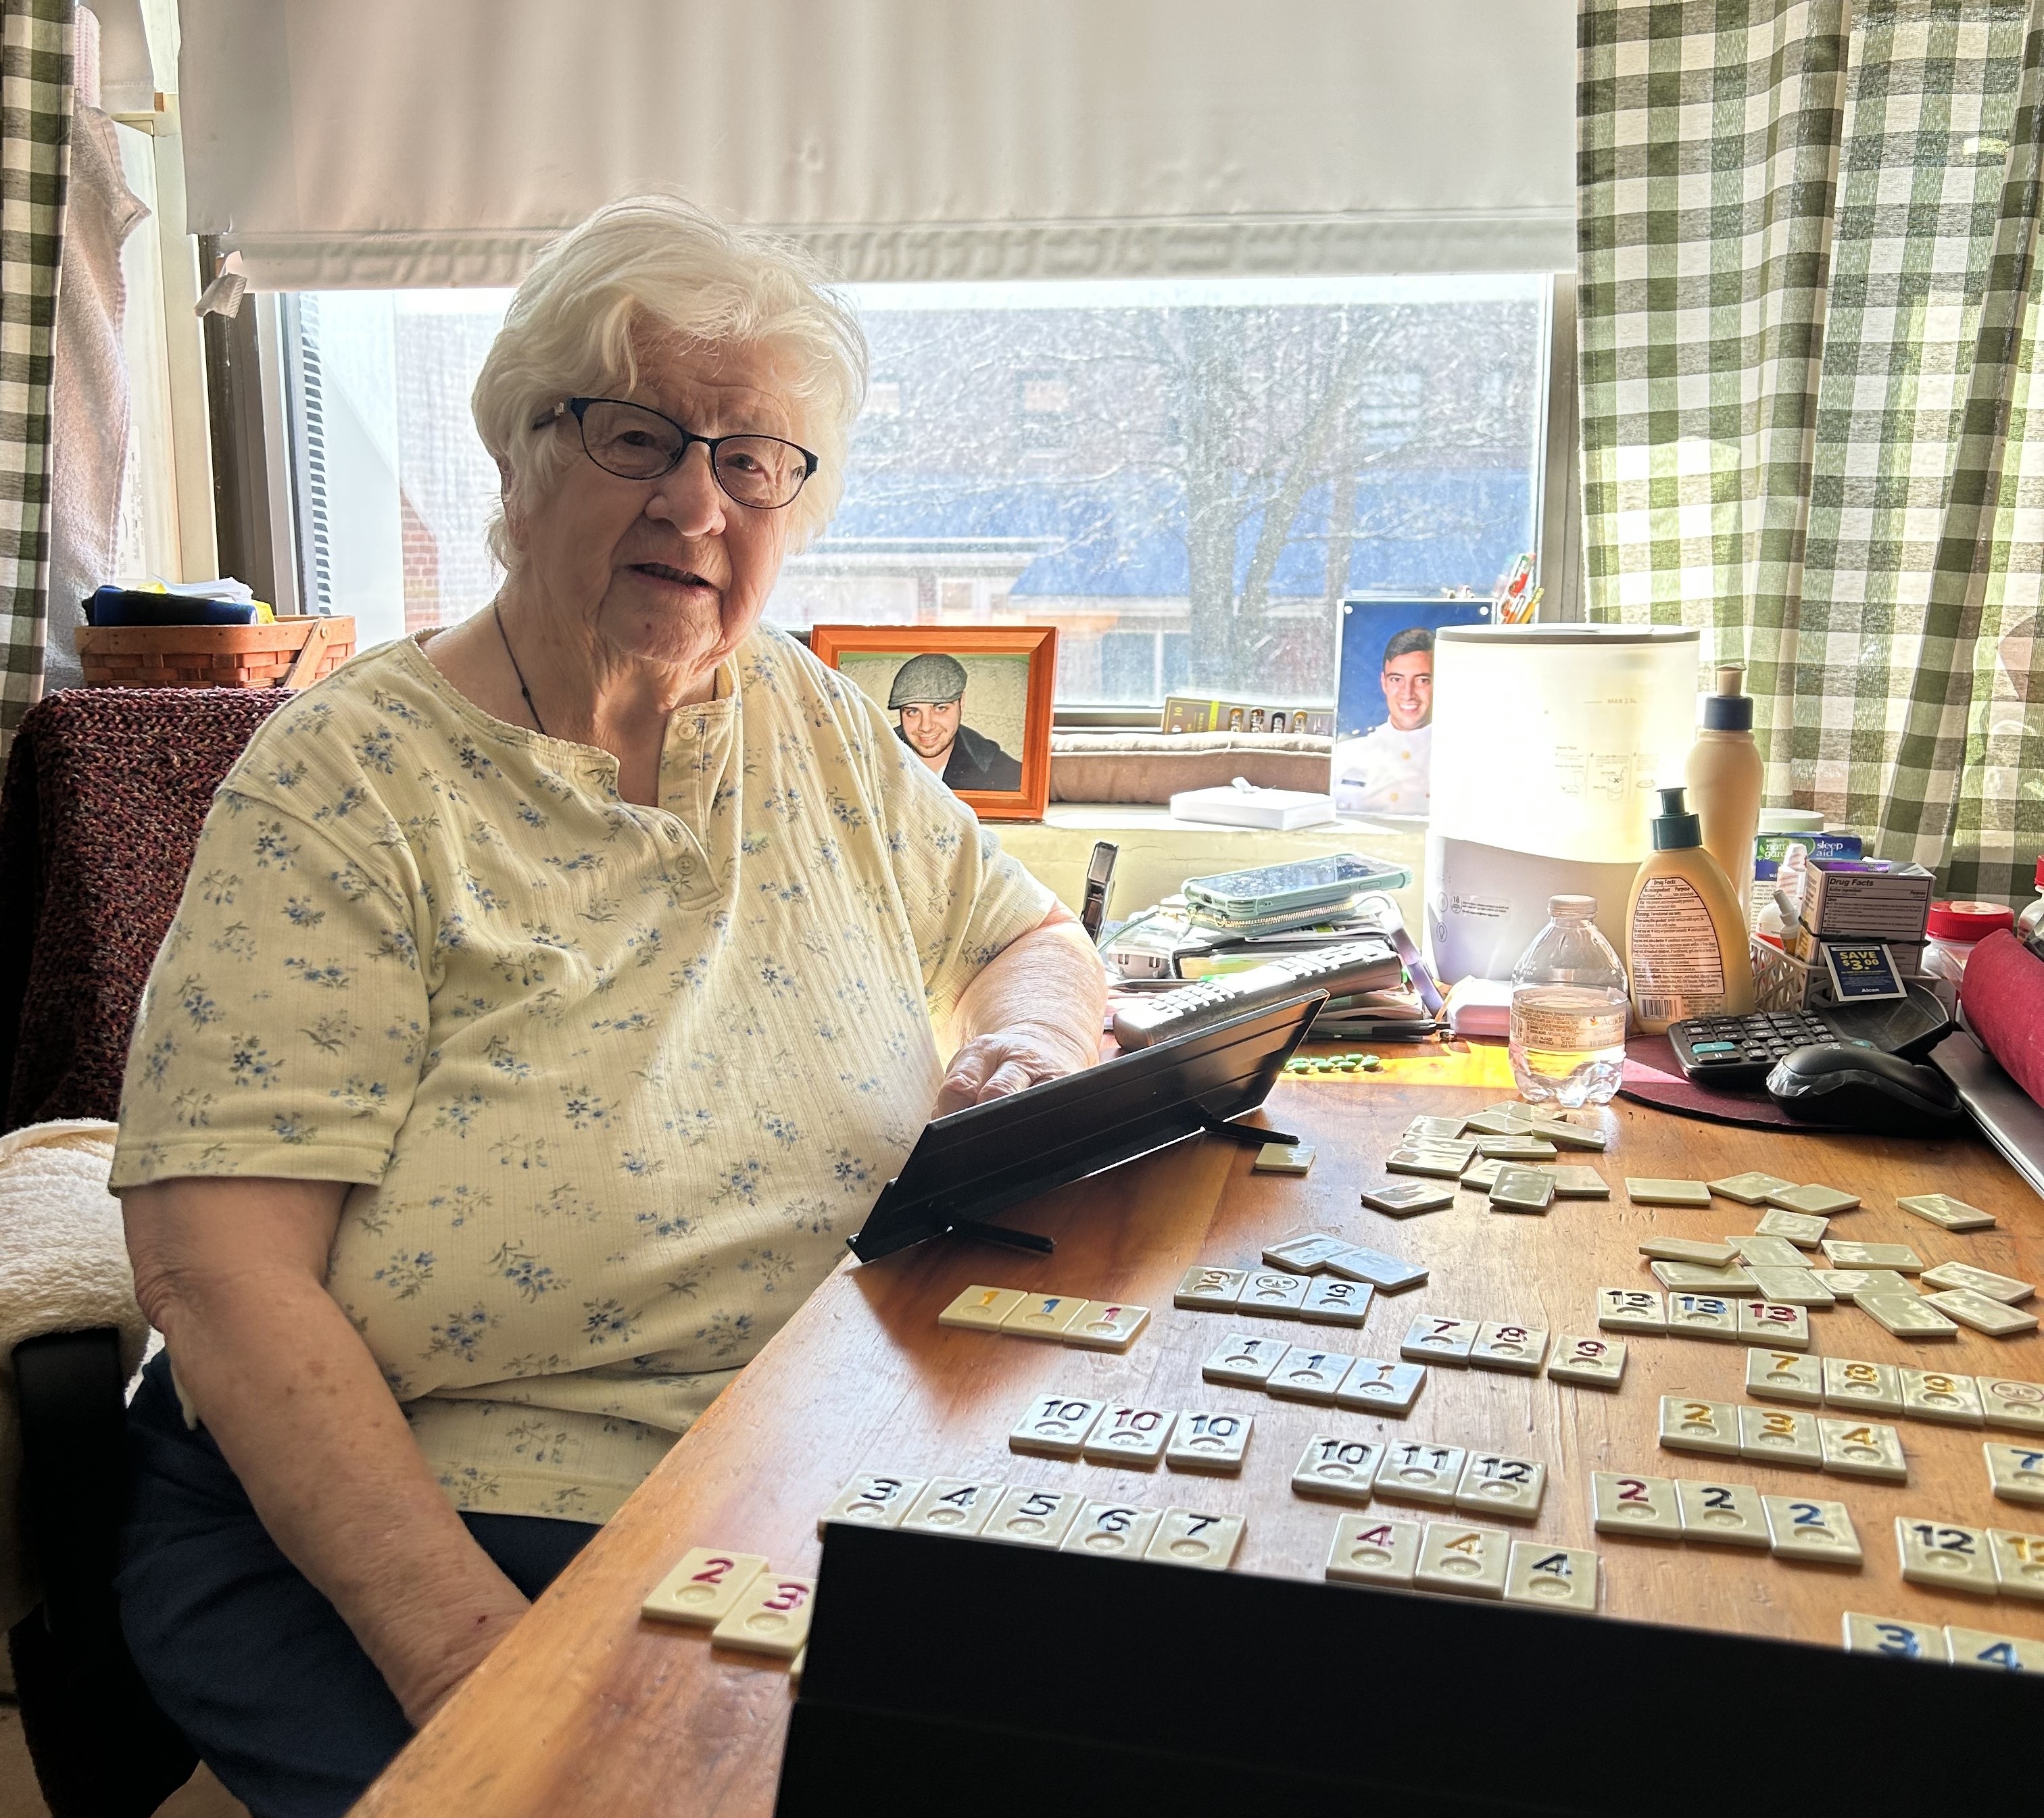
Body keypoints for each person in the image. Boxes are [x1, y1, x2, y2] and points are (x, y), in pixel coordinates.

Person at [109, 194, 1106, 1818]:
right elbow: (219, 1280)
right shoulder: (347, 783)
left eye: (754, 457)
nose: (697, 501)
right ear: (515, 457)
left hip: (791, 1483)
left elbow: (1032, 934)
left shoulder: (811, 716)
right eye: (637, 435)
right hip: (414, 1527)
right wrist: (490, 1683)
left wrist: (1034, 1042)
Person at [1332, 625, 1434, 815]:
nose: (1408, 694)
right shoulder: (1347, 753)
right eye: (1397, 679)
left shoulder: (1460, 756)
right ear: (1384, 683)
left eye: (1422, 680)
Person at [887, 650, 1023, 791]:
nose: (926, 727)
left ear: (962, 702)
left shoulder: (992, 766)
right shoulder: (875, 756)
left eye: (940, 708)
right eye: (913, 712)